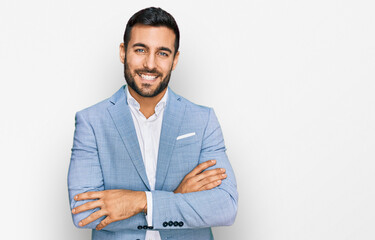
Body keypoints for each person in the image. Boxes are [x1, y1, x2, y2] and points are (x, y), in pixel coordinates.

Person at [68, 7, 238, 240]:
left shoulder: (202, 119)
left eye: (162, 53)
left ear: (175, 59)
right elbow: (85, 213)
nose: (150, 64)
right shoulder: (92, 122)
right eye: (140, 50)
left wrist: (142, 201)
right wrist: (177, 196)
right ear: (123, 52)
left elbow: (225, 207)